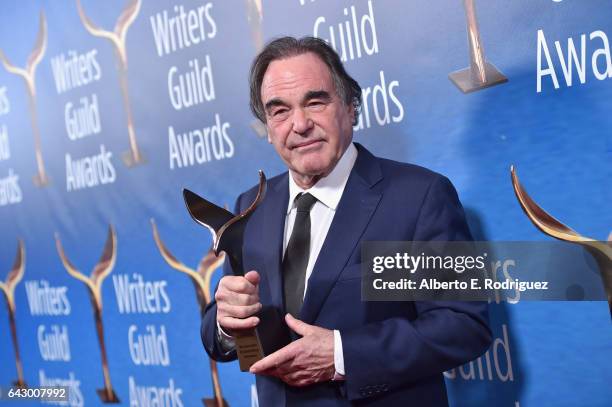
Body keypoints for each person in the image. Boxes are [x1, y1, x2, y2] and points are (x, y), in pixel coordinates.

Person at [201, 36, 492, 406]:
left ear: (351, 107)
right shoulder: (251, 205)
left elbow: (463, 326)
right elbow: (223, 339)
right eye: (280, 111)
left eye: (315, 102)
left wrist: (341, 355)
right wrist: (228, 322)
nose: (300, 124)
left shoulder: (419, 197)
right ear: (268, 128)